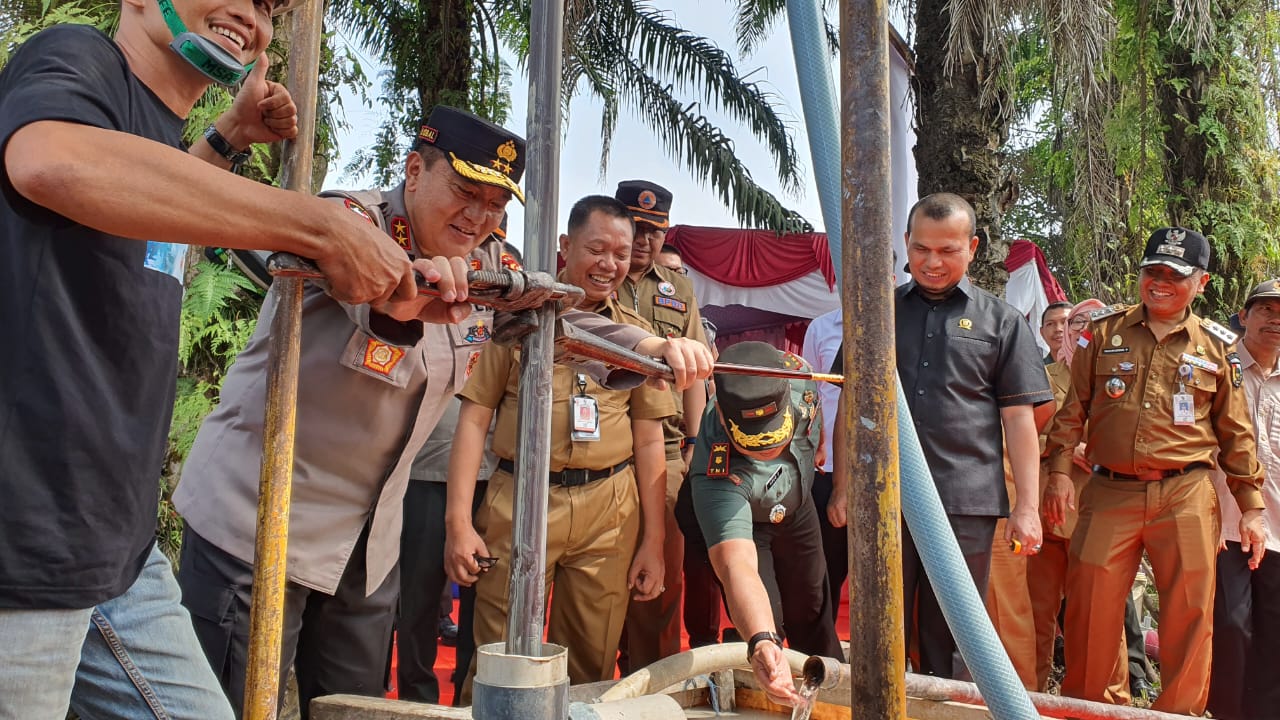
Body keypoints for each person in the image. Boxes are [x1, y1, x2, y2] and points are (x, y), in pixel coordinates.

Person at [0, 0, 422, 715]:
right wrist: (316, 224)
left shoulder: (154, 138)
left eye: (267, 6)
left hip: (120, 555)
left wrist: (226, 141)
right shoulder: (74, 56)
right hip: (23, 554)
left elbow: (139, 234)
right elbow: (51, 161)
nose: (249, 12)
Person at [445, 195, 713, 696]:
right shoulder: (519, 319)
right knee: (501, 656)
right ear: (566, 247)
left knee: (590, 661)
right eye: (597, 249)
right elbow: (475, 418)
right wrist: (458, 522)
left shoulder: (637, 336)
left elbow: (650, 441)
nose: (609, 265)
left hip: (608, 509)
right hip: (521, 500)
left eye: (621, 252)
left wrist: (653, 541)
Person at [1044, 227, 1266, 715]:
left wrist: (1251, 508)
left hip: (1185, 492)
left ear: (1201, 283)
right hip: (1109, 491)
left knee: (1190, 615)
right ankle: (1085, 709)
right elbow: (1070, 412)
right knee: (1090, 612)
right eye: (1152, 272)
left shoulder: (1215, 347)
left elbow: (1235, 434)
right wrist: (1059, 471)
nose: (1160, 282)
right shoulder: (1104, 333)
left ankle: (1177, 714)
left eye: (1175, 275)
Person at [834, 192, 1052, 680]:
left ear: (972, 247)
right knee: (880, 624)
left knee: (951, 633)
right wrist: (846, 487)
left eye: (947, 250)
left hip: (965, 502)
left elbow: (1020, 420)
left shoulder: (1003, 321)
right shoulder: (877, 314)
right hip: (883, 496)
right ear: (907, 245)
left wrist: (1027, 509)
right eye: (921, 249)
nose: (932, 262)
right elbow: (851, 401)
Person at [688, 341, 844, 707]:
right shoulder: (716, 470)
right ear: (727, 423)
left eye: (774, 439)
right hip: (747, 523)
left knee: (813, 604)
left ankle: (834, 703)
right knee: (766, 616)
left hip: (798, 503)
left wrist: (816, 449)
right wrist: (762, 639)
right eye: (754, 447)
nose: (766, 451)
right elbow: (737, 566)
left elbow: (815, 425)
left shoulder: (800, 377)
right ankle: (769, 685)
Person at [613, 179, 710, 672]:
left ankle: (649, 682)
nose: (644, 240)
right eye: (634, 226)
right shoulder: (594, 275)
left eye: (654, 230)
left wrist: (695, 443)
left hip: (667, 452)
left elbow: (698, 375)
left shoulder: (678, 291)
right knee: (599, 576)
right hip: (601, 449)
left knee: (662, 578)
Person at [1208, 278, 1280, 720]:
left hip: (1278, 530)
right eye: (1266, 309)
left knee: (1275, 635)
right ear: (1245, 315)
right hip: (1225, 524)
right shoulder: (1218, 364)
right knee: (1231, 627)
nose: (1276, 319)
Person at [800, 308, 847, 621]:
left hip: (894, 471)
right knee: (827, 565)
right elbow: (808, 393)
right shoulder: (821, 327)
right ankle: (822, 647)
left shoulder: (907, 321)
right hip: (828, 464)